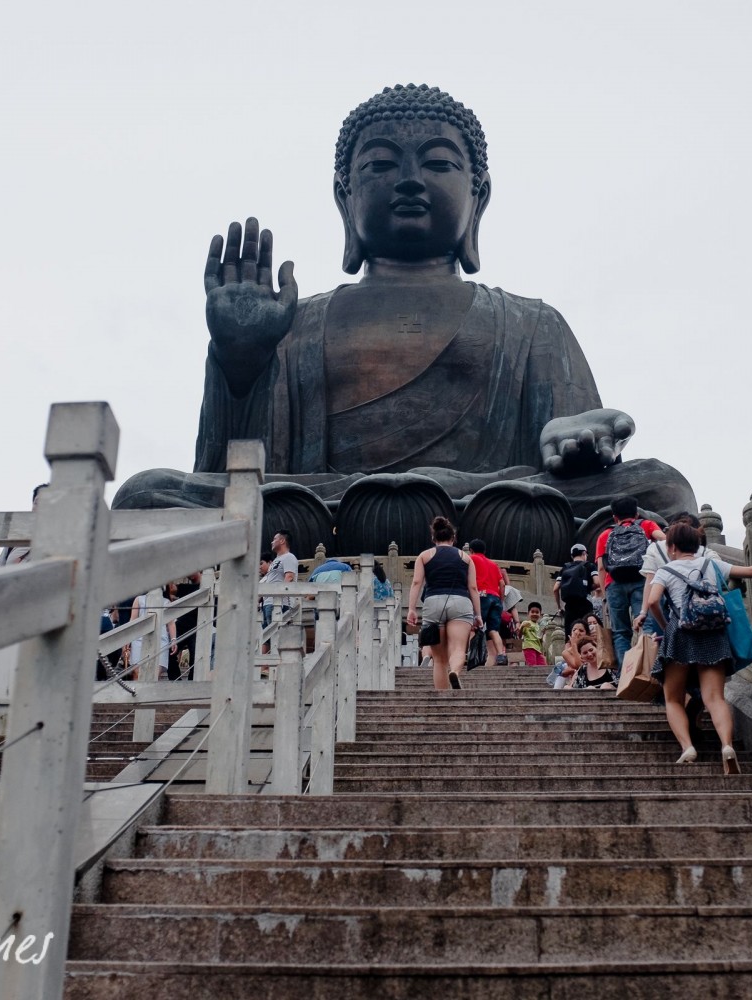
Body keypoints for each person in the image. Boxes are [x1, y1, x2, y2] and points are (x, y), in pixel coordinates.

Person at [112, 84, 699, 550]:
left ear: (480, 197)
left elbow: (574, 454)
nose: (411, 180)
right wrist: (241, 363)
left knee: (663, 487)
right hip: (325, 505)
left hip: (492, 503)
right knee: (147, 495)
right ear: (345, 198)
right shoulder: (295, 323)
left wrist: (575, 442)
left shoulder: (531, 324)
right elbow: (235, 474)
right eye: (381, 166)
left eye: (439, 163)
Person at [646, 523, 752, 774]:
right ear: (697, 545)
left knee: (673, 698)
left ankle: (687, 748)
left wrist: (665, 626)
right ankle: (726, 745)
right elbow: (751, 571)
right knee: (714, 698)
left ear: (671, 547)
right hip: (713, 634)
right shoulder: (712, 565)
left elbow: (652, 601)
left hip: (680, 635)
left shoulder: (666, 570)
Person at [407, 516, 482, 690]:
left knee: (439, 659)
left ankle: (443, 698)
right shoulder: (466, 557)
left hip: (433, 602)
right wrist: (478, 615)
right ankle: (455, 671)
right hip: (461, 602)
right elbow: (473, 587)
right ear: (453, 538)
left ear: (433, 538)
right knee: (458, 649)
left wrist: (411, 608)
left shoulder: (424, 556)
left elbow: (417, 583)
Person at [596, 495, 665, 670]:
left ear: (614, 517)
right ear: (636, 513)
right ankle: (650, 670)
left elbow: (601, 568)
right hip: (642, 579)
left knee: (620, 633)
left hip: (614, 583)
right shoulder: (646, 525)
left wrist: (605, 595)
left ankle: (625, 676)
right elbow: (664, 540)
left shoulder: (605, 534)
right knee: (647, 625)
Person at [467, 539, 509, 666]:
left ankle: (472, 653)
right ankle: (501, 655)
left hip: (481, 595)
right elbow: (502, 584)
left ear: (471, 550)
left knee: (474, 627)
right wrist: (500, 601)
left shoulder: (471, 558)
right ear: (484, 551)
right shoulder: (493, 564)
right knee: (493, 630)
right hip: (495, 597)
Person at [553, 543, 601, 634]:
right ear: (584, 553)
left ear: (572, 556)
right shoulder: (589, 566)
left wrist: (559, 607)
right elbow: (597, 582)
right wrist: (587, 588)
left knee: (571, 632)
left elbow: (555, 589)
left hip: (570, 605)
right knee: (586, 631)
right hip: (585, 603)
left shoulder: (565, 568)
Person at [260, 531, 298, 630]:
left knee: (277, 635)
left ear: (282, 541)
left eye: (274, 539)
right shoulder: (276, 560)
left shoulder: (289, 557)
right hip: (268, 602)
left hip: (280, 603)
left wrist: (279, 597)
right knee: (267, 637)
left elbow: (289, 577)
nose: (272, 542)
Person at [518, 602, 547, 667]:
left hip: (538, 649)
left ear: (540, 614)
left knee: (543, 665)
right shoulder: (525, 623)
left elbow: (540, 639)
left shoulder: (539, 626)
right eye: (532, 612)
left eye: (537, 612)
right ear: (528, 613)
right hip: (529, 647)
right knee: (532, 665)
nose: (534, 614)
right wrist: (522, 627)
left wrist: (543, 633)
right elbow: (519, 636)